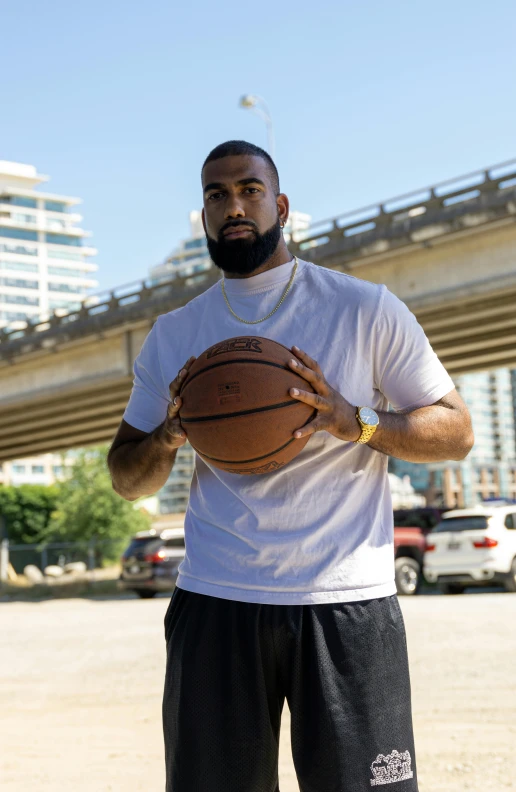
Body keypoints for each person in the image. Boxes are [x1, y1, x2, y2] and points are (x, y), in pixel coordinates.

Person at [108, 140, 474, 792]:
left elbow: (456, 432)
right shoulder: (175, 335)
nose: (234, 206)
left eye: (249, 189)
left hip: (347, 603)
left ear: (279, 205)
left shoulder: (364, 309)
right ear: (205, 215)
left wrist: (352, 419)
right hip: (216, 601)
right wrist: (167, 436)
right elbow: (125, 475)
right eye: (217, 195)